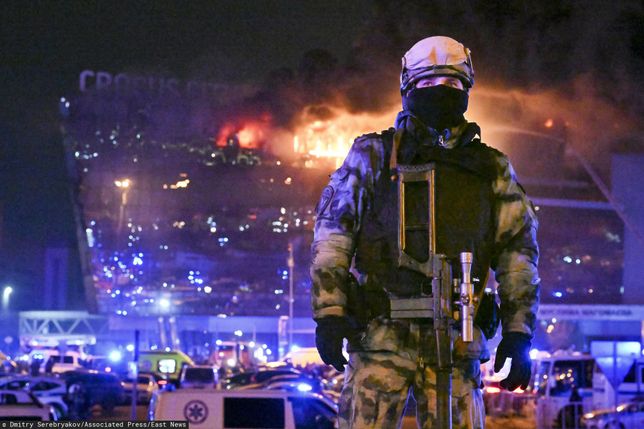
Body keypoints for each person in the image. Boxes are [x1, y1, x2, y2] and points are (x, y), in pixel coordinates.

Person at [310, 36, 540, 429]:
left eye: (452, 85)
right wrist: (330, 313)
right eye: (428, 85)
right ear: (407, 89)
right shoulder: (373, 156)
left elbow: (518, 253)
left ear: (467, 91)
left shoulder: (492, 169)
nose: (440, 94)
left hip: (457, 341)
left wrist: (519, 332)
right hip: (379, 335)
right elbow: (333, 236)